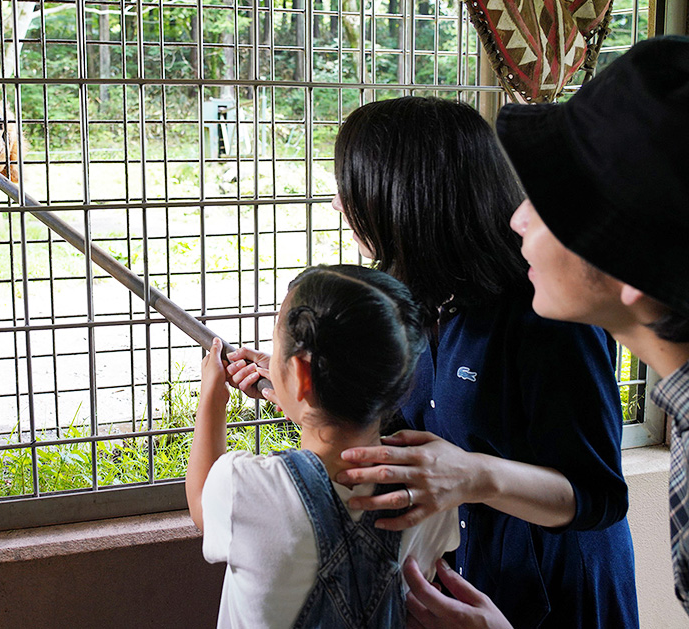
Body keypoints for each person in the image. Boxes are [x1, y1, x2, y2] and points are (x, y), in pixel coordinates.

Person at [227, 97, 639, 628]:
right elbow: (393, 433)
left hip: (555, 594)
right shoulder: (408, 299)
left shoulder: (548, 310)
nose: (338, 203)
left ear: (405, 197)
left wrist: (475, 475)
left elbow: (599, 496)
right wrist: (301, 391)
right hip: (457, 584)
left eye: (350, 187)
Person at [402, 34, 689, 627]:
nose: (516, 215)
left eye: (553, 200)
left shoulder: (542, 321)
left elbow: (597, 494)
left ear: (630, 257)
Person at [186, 265, 460, 628]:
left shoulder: (247, 486)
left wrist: (211, 399)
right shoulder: (429, 486)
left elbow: (202, 503)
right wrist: (305, 400)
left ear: (300, 374)